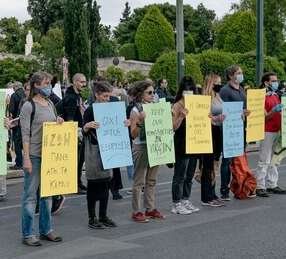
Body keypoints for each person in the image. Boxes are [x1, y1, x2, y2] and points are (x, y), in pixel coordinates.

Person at [20, 71, 64, 246]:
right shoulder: (28, 106)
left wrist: (58, 122)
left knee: (47, 196)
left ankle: (46, 230)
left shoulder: (50, 103)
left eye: (50, 83)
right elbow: (25, 134)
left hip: (50, 156)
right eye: (46, 83)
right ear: (36, 86)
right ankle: (27, 233)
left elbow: (52, 128)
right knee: (30, 197)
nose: (49, 86)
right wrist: (26, 159)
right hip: (35, 156)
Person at [82, 81, 127, 228]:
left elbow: (118, 125)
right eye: (105, 96)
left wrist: (125, 122)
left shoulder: (111, 108)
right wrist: (88, 126)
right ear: (97, 95)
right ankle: (91, 217)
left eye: (109, 96)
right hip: (94, 151)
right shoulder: (90, 110)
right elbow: (83, 130)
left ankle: (103, 215)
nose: (108, 99)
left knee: (106, 183)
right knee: (94, 184)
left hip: (108, 149)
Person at [129, 80, 165, 222]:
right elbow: (133, 134)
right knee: (139, 180)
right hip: (142, 146)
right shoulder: (135, 110)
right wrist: (139, 121)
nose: (152, 95)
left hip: (154, 144)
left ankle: (149, 208)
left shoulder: (155, 107)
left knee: (152, 179)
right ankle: (136, 210)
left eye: (153, 92)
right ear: (141, 94)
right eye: (149, 92)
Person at [218, 65, 251, 200]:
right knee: (227, 161)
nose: (241, 75)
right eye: (238, 73)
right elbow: (224, 110)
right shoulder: (225, 91)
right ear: (231, 75)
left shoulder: (242, 90)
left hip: (241, 129)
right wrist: (239, 113)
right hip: (229, 130)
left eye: (241, 73)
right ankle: (224, 190)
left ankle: (238, 187)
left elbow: (244, 108)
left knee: (238, 160)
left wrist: (246, 112)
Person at [170, 76, 201, 215]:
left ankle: (185, 199)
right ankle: (176, 203)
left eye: (191, 89)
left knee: (189, 174)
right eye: (186, 89)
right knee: (180, 174)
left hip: (194, 142)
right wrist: (181, 117)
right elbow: (172, 127)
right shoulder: (177, 105)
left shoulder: (196, 103)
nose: (189, 92)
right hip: (182, 143)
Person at [256, 72, 286, 196]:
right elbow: (265, 117)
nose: (276, 83)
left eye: (276, 80)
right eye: (273, 81)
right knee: (264, 159)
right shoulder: (261, 97)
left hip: (277, 130)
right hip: (267, 130)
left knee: (274, 159)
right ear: (266, 83)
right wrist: (274, 111)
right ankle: (260, 185)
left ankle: (272, 184)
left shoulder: (275, 95)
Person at [57, 73, 87, 194]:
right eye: (81, 82)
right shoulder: (71, 98)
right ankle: (74, 184)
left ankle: (78, 182)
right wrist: (75, 133)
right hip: (75, 132)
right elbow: (70, 117)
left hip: (79, 130)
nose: (84, 84)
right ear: (74, 82)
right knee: (76, 160)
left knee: (80, 159)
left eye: (84, 82)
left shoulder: (77, 95)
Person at [200, 74, 227, 207]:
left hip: (218, 132)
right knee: (208, 165)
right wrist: (216, 119)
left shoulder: (218, 97)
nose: (219, 85)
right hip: (209, 132)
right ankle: (206, 196)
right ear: (210, 84)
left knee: (215, 163)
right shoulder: (205, 99)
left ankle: (213, 192)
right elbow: (205, 118)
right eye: (217, 82)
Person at [8, 81, 26, 169]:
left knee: (17, 142)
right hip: (26, 121)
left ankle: (19, 162)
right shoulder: (27, 94)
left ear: (15, 87)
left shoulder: (14, 96)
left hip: (17, 122)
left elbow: (11, 109)